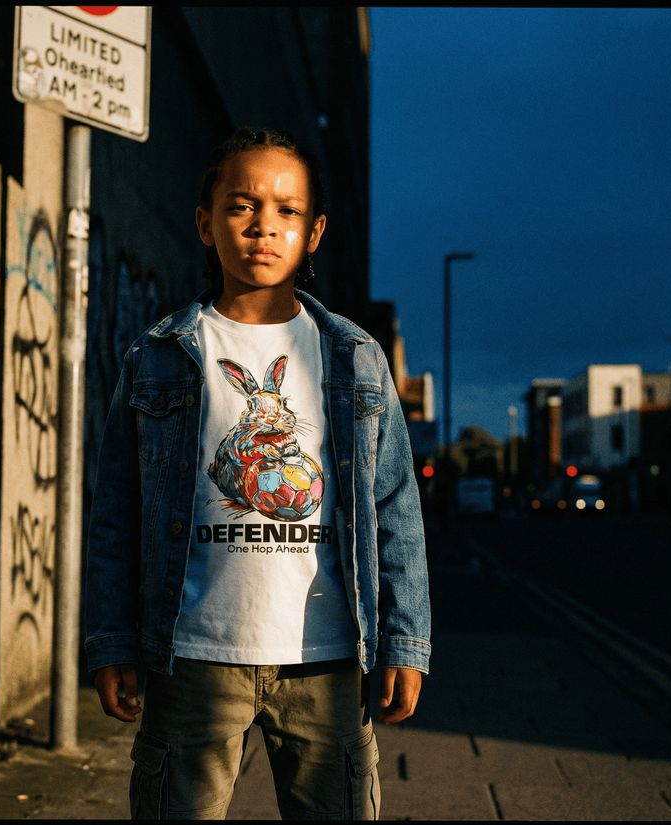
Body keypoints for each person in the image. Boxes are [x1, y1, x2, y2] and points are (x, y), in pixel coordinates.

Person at [85, 126, 430, 820]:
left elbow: (394, 505)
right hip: (194, 656)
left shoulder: (355, 358)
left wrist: (405, 639)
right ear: (205, 223)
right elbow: (117, 509)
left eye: (287, 210)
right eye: (242, 206)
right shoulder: (158, 355)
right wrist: (112, 639)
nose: (263, 226)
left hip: (326, 657)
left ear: (314, 232)